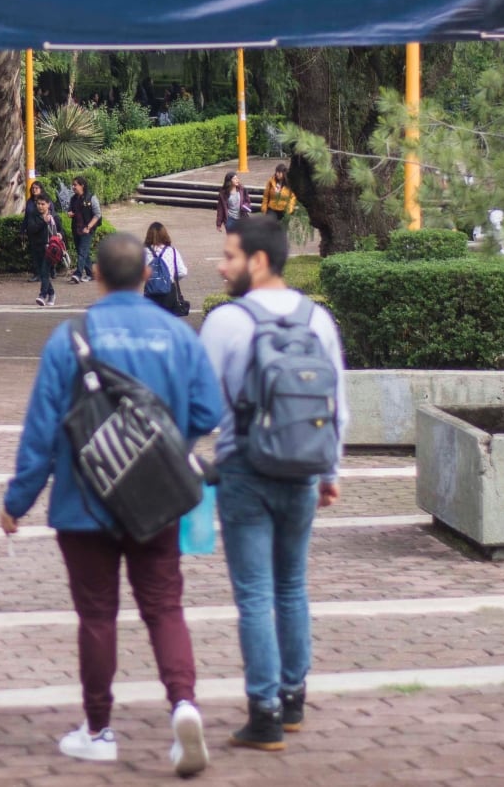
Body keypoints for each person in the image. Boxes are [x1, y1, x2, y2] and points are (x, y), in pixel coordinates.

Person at [0, 233, 221, 776]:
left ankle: (98, 729)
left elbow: (41, 431)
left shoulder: (69, 339)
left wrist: (17, 501)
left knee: (97, 615)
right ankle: (184, 705)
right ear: (148, 277)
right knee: (164, 606)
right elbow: (208, 410)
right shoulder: (177, 334)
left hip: (83, 501)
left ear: (97, 276)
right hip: (156, 497)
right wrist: (165, 448)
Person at [199, 215, 347, 752]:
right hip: (304, 469)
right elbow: (337, 407)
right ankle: (293, 700)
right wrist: (331, 472)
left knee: (256, 593)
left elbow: (203, 404)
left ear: (257, 262)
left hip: (245, 471)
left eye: (230, 256)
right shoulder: (319, 319)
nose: (221, 265)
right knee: (292, 586)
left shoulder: (226, 322)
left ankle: (261, 713)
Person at [142, 222, 191, 315]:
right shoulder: (172, 251)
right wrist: (171, 278)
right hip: (169, 291)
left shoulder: (144, 252)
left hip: (150, 291)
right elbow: (182, 271)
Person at [26, 197, 61, 308]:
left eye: (43, 204)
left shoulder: (54, 217)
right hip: (38, 248)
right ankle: (51, 293)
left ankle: (42, 295)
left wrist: (60, 235)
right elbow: (31, 229)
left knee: (45, 271)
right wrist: (43, 222)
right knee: (42, 273)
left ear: (48, 204)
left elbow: (61, 231)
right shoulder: (33, 216)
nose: (40, 206)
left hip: (51, 250)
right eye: (38, 204)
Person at [67, 176, 102, 285]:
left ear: (82, 185)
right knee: (82, 251)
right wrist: (70, 213)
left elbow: (97, 214)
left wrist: (89, 227)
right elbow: (70, 209)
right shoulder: (73, 198)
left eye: (75, 185)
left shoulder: (91, 197)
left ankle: (78, 274)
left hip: (87, 229)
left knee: (82, 251)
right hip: (76, 228)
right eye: (73, 185)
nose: (73, 187)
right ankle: (91, 273)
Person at [21, 182, 47, 283]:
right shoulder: (29, 202)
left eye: (36, 188)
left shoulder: (46, 200)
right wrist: (22, 229)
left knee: (44, 252)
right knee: (35, 253)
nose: (34, 190)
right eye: (33, 188)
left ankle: (47, 272)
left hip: (43, 230)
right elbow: (26, 217)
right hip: (32, 230)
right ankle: (37, 273)